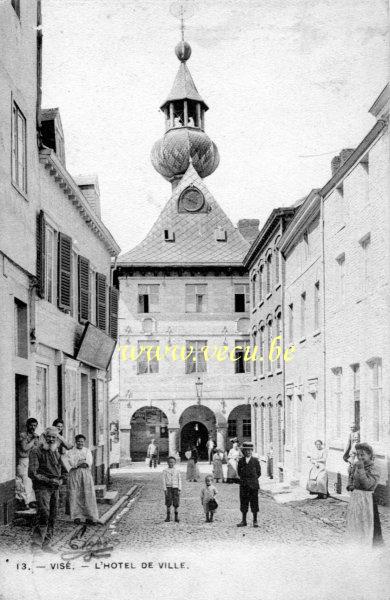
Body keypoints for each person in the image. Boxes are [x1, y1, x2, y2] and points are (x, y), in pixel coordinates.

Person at [29, 426, 63, 553]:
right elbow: (32, 473)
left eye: (53, 437)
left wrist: (61, 479)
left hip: (55, 488)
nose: (50, 439)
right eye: (48, 436)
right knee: (44, 514)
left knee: (53, 515)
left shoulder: (55, 452)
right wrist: (49, 480)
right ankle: (36, 545)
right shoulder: (35, 451)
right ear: (43, 437)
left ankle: (46, 544)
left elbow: (63, 469)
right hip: (42, 487)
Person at [345, 442, 383, 546]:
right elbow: (351, 477)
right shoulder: (357, 465)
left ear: (370, 455)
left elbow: (367, 485)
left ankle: (368, 546)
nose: (360, 457)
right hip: (356, 499)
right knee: (356, 522)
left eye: (363, 455)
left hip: (367, 500)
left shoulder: (375, 468)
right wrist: (350, 485)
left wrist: (361, 469)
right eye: (358, 455)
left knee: (367, 523)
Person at [67, 434, 99, 525]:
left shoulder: (87, 451)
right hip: (75, 474)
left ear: (84, 442)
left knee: (88, 494)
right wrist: (80, 462)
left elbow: (88, 463)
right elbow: (72, 463)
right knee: (75, 494)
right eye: (78, 441)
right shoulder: (71, 452)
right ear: (75, 442)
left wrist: (80, 462)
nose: (80, 443)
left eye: (82, 441)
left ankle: (90, 516)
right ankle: (76, 516)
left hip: (85, 474)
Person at [236, 441, 261, 528]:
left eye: (250, 450)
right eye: (246, 450)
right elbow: (239, 472)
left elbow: (258, 473)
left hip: (253, 486)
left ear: (252, 451)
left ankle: (255, 520)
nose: (248, 452)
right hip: (243, 485)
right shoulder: (241, 461)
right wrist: (245, 480)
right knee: (244, 503)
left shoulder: (255, 461)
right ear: (244, 451)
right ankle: (244, 520)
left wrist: (252, 480)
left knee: (254, 503)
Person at [17, 417, 39, 508]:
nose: (33, 427)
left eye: (35, 425)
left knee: (30, 480)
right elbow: (25, 448)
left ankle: (31, 500)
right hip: (23, 460)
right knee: (24, 479)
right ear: (27, 425)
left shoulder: (35, 436)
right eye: (31, 425)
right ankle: (25, 501)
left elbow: (36, 448)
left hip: (31, 460)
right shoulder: (23, 435)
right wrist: (33, 440)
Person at [162, 456, 181, 523]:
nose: (171, 464)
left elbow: (179, 480)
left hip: (175, 488)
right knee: (168, 502)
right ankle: (168, 516)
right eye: (170, 462)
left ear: (175, 463)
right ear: (167, 463)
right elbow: (164, 480)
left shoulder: (177, 471)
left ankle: (176, 516)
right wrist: (165, 489)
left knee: (176, 502)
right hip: (168, 488)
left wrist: (179, 488)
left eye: (173, 462)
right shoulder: (165, 471)